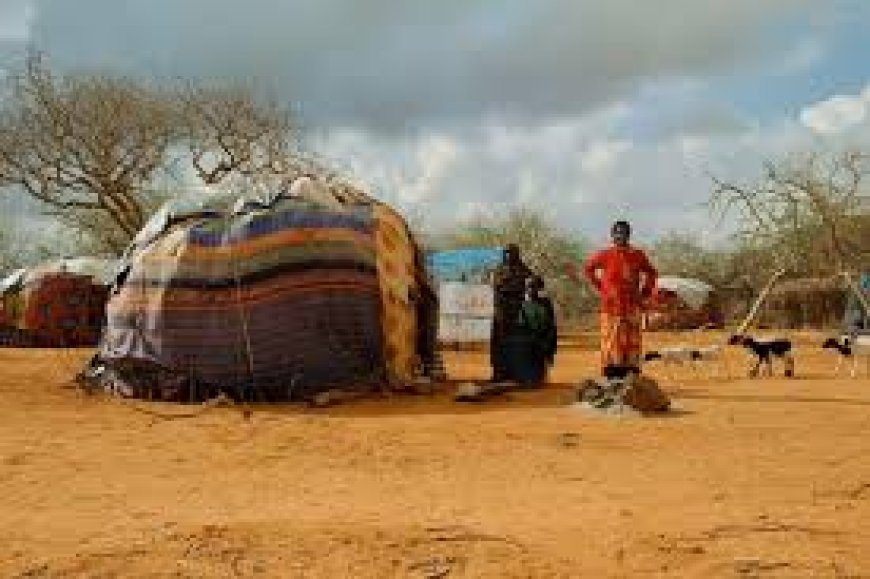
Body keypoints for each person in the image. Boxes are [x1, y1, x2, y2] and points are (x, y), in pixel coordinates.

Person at [577, 220, 657, 378]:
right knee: (611, 340)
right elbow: (588, 268)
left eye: (624, 233)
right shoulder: (605, 254)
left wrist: (645, 291)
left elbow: (651, 272)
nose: (620, 236)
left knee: (631, 341)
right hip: (611, 306)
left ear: (629, 235)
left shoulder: (637, 255)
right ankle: (611, 373)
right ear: (612, 235)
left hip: (632, 305)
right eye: (617, 233)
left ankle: (631, 374)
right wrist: (602, 288)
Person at [490, 244, 533, 382]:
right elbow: (498, 286)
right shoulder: (499, 270)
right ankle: (498, 373)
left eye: (511, 253)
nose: (509, 255)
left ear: (516, 254)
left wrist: (513, 287)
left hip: (517, 313)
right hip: (501, 313)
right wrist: (513, 286)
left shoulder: (524, 270)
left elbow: (530, 285)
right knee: (499, 344)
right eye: (506, 253)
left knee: (516, 344)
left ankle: (515, 373)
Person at [510, 275, 558, 385]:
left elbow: (551, 323)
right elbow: (522, 325)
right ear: (526, 289)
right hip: (530, 339)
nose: (532, 290)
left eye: (534, 287)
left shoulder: (546, 303)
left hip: (544, 338)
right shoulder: (523, 305)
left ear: (539, 288)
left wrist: (547, 340)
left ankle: (541, 372)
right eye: (529, 287)